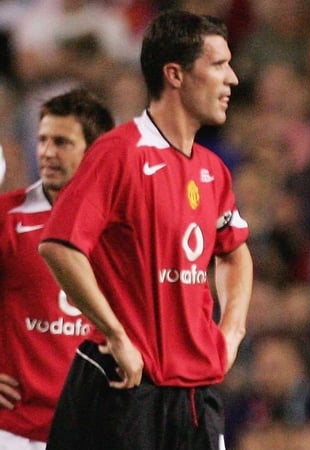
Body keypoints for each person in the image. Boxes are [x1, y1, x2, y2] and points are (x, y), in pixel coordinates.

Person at [37, 9, 253, 450]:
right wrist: (115, 333)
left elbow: (234, 251)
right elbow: (59, 245)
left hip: (195, 397)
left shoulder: (213, 170)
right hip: (126, 390)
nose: (231, 79)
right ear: (174, 74)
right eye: (218, 65)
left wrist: (232, 331)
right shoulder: (119, 154)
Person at [0, 88, 114, 449]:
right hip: (14, 430)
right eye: (42, 140)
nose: (47, 152)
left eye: (62, 142)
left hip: (95, 429)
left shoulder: (124, 229)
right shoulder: (7, 218)